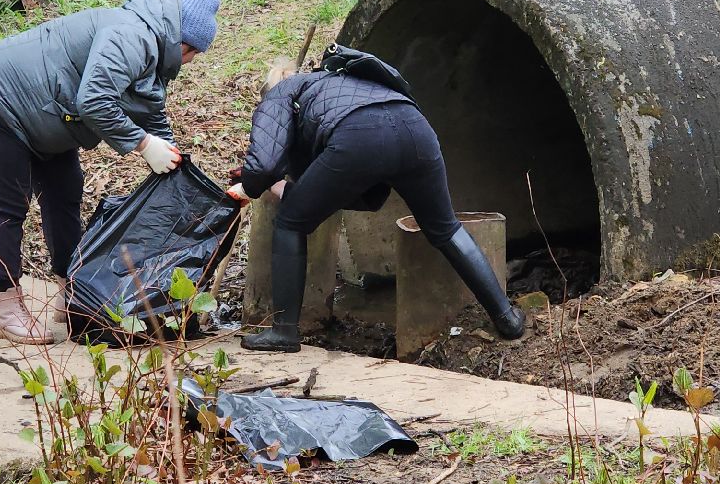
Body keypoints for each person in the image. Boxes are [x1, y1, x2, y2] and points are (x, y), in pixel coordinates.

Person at [0, 0, 221, 345]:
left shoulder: (153, 49)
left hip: (49, 112)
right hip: (0, 93)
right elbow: (95, 100)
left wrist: (174, 161)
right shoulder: (132, 36)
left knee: (64, 192)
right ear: (185, 44)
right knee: (9, 202)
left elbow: (150, 108)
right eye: (195, 55)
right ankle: (7, 308)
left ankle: (72, 293)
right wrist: (143, 145)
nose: (192, 62)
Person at [225, 57, 526, 352]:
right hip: (415, 127)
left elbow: (263, 166)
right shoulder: (338, 80)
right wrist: (287, 188)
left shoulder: (279, 94)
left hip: (359, 137)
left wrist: (252, 184)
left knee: (290, 223)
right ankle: (508, 319)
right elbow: (325, 186)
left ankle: (284, 333)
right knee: (445, 229)